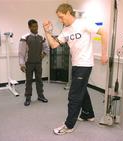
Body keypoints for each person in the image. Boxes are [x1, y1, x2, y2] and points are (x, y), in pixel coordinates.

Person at [43, 3, 108, 135]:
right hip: (76, 64)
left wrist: (104, 54)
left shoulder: (83, 23)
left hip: (85, 64)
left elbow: (104, 32)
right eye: (58, 18)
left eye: (61, 17)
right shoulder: (66, 30)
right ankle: (88, 114)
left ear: (68, 12)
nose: (60, 20)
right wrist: (47, 31)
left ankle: (69, 125)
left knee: (74, 95)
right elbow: (54, 45)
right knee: (81, 90)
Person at [19, 19, 49, 106]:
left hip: (38, 63)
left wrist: (43, 55)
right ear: (29, 27)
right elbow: (21, 52)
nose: (35, 28)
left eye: (36, 26)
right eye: (33, 26)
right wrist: (21, 64)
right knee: (29, 81)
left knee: (39, 80)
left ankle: (41, 96)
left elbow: (46, 48)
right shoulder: (25, 38)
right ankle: (28, 98)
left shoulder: (41, 37)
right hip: (29, 63)